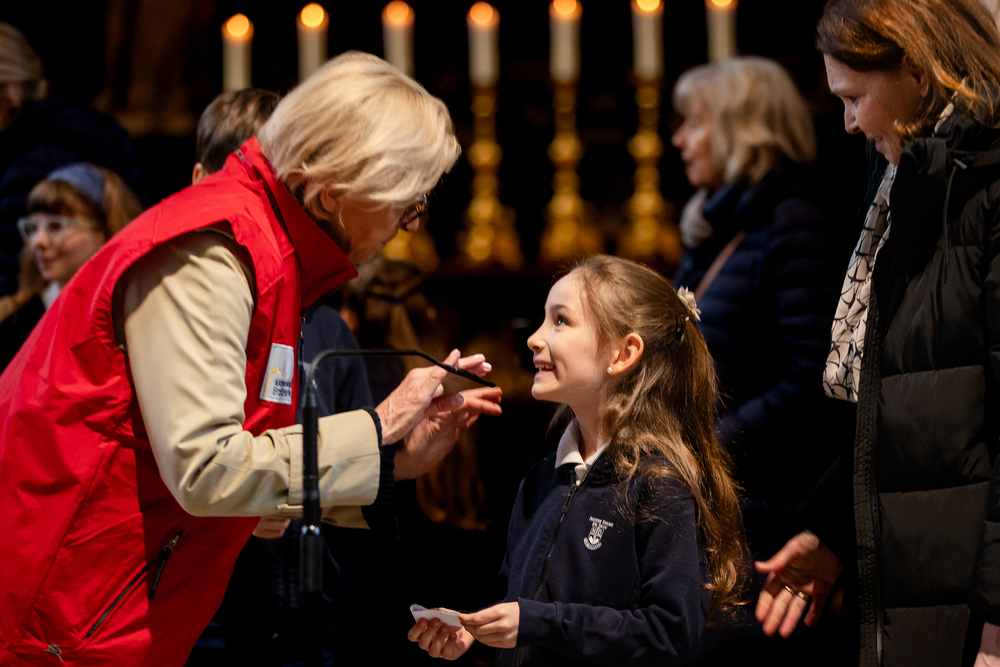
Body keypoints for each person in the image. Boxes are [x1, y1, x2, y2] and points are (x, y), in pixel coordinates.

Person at [0, 51, 501, 667]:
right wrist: (376, 427)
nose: (410, 225)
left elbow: (237, 471)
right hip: (60, 616)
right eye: (409, 201)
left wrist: (387, 463)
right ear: (333, 191)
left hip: (102, 608)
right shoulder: (215, 249)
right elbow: (207, 469)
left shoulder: (268, 248)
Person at [753, 1, 1000, 665]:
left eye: (855, 97)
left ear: (918, 69)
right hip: (915, 584)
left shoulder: (985, 184)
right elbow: (908, 404)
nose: (849, 122)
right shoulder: (903, 182)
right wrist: (834, 527)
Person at [409, 255, 747, 666]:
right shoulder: (540, 479)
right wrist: (474, 632)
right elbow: (518, 604)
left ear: (623, 353)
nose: (534, 339)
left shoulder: (659, 485)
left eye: (560, 321)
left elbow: (670, 632)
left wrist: (543, 623)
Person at [0, 22, 142, 296]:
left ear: (9, 97)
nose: (40, 241)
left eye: (54, 226)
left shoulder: (32, 167)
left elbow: (17, 287)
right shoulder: (86, 129)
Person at [0, 162, 142, 369]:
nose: (38, 241)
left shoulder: (130, 319)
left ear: (106, 231)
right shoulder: (14, 323)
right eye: (33, 227)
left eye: (56, 226)